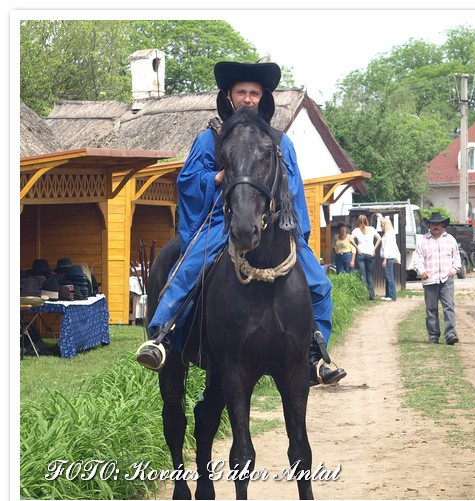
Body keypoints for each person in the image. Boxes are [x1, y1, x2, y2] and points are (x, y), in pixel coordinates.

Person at [136, 60, 346, 386]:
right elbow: (189, 181)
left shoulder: (280, 142)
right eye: (242, 92)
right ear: (230, 97)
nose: (248, 99)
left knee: (320, 284)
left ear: (262, 98)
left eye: (254, 93)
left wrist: (294, 230)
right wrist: (217, 176)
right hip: (222, 220)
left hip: (274, 223)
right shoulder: (210, 139)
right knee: (189, 270)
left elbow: (293, 189)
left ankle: (316, 354)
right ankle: (161, 335)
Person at [413, 212, 461, 345]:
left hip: (447, 279)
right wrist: (421, 271)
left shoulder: (450, 239)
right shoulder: (423, 240)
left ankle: (450, 334)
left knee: (449, 307)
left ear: (443, 225)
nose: (436, 226)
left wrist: (454, 270)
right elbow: (418, 259)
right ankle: (433, 336)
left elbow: (456, 257)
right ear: (429, 225)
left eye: (438, 224)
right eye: (433, 224)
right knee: (431, 308)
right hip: (430, 279)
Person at [348, 214, 382, 300]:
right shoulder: (371, 229)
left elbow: (350, 239)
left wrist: (357, 247)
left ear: (358, 222)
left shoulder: (356, 230)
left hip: (361, 253)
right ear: (366, 220)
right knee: (369, 275)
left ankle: (364, 295)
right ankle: (372, 295)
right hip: (370, 254)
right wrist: (374, 250)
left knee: (363, 275)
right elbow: (379, 238)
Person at [379, 216, 400, 301]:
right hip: (388, 257)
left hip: (388, 257)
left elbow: (387, 247)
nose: (381, 225)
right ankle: (388, 295)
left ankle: (392, 295)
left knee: (389, 276)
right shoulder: (389, 233)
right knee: (387, 276)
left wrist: (385, 259)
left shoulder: (388, 234)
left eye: (382, 224)